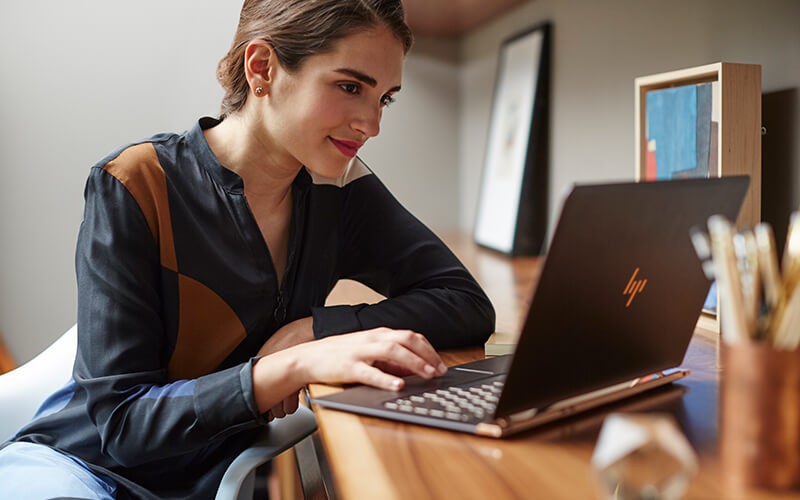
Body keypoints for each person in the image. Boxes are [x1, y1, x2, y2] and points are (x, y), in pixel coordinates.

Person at [0, 0, 495, 498]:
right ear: (262, 68)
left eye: (384, 98)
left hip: (204, 483)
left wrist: (314, 330)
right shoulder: (135, 183)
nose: (372, 123)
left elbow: (466, 304)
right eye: (350, 87)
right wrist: (288, 368)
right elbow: (122, 424)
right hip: (78, 471)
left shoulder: (338, 189)